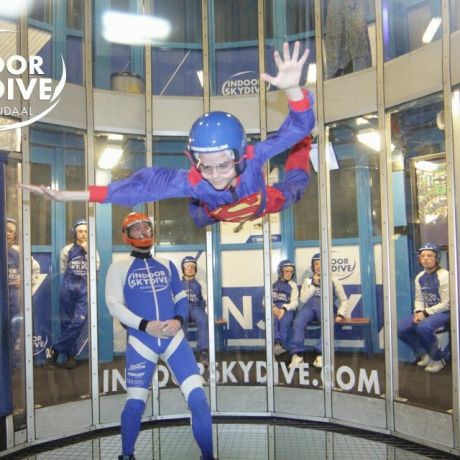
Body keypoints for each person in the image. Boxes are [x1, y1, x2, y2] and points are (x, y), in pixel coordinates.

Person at [19, 42, 316, 227]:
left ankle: (305, 148)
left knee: (296, 181)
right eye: (205, 166)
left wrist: (292, 89)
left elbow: (298, 126)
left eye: (223, 165)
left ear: (241, 155)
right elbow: (134, 190)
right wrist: (67, 195)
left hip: (261, 203)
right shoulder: (194, 181)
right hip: (214, 212)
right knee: (197, 211)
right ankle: (203, 208)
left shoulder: (254, 158)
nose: (215, 175)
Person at [105, 212, 213, 460]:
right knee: (134, 404)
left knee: (198, 400)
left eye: (146, 227)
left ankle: (208, 456)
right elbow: (114, 305)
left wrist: (179, 321)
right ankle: (126, 456)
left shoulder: (167, 264)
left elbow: (180, 297)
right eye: (136, 229)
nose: (143, 232)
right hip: (141, 343)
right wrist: (145, 326)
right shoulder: (118, 268)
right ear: (126, 235)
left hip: (174, 340)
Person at [48, 219, 99, 369]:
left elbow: (95, 270)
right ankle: (71, 357)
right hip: (68, 287)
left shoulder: (93, 250)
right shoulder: (67, 250)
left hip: (85, 288)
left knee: (78, 321)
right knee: (66, 323)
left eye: (86, 232)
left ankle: (55, 349)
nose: (83, 234)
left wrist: (87, 250)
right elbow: (63, 269)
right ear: (75, 233)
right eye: (80, 231)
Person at [289, 253, 349, 369]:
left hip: (325, 306)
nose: (318, 266)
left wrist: (340, 314)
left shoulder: (333, 280)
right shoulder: (308, 280)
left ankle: (320, 354)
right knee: (297, 322)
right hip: (309, 307)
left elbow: (344, 300)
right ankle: (298, 354)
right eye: (316, 264)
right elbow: (303, 299)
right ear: (313, 267)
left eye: (321, 263)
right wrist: (314, 284)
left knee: (328, 324)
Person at [397, 243, 449, 374]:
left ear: (437, 258)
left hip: (445, 312)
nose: (425, 258)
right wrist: (418, 312)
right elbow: (419, 299)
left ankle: (438, 358)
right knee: (401, 328)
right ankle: (425, 352)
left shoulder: (445, 276)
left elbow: (448, 303)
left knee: (423, 327)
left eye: (429, 256)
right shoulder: (420, 277)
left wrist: (425, 313)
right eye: (422, 256)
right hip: (427, 312)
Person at [6, 218, 40, 369]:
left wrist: (25, 281)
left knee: (14, 328)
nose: (8, 234)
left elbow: (35, 269)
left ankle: (9, 363)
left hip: (14, 295)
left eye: (11, 231)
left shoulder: (19, 251)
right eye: (6, 229)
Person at [181, 256, 210, 367]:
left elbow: (207, 298)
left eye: (192, 267)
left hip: (196, 308)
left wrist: (207, 311)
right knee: (180, 321)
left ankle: (203, 351)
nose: (190, 269)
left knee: (203, 320)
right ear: (183, 269)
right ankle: (183, 351)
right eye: (187, 267)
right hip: (182, 308)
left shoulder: (200, 283)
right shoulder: (177, 284)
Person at [272, 259, 299, 356]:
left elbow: (295, 303)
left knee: (284, 323)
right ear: (281, 272)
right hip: (274, 309)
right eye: (286, 271)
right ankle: (277, 344)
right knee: (273, 321)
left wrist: (284, 309)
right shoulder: (273, 284)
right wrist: (273, 308)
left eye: (291, 271)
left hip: (287, 309)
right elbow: (264, 300)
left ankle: (282, 348)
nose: (289, 273)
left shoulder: (293, 285)